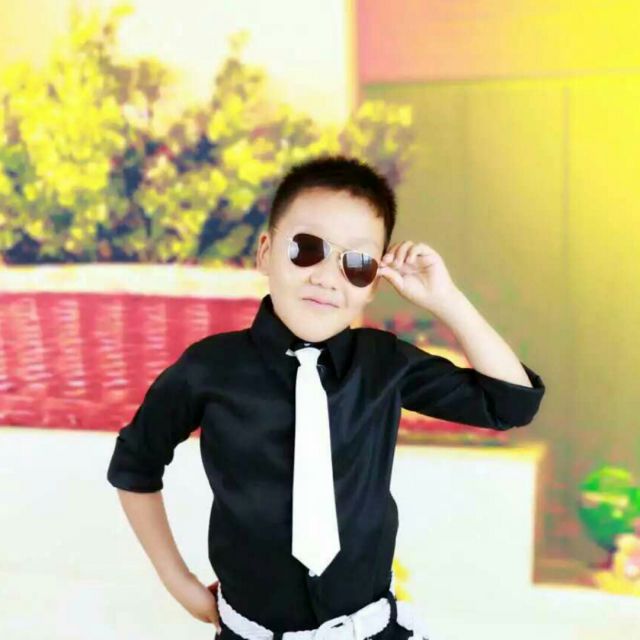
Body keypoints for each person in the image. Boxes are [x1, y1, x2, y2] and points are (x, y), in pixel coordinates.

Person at [106, 154, 546, 640]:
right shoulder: (209, 368)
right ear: (265, 252)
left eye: (356, 263)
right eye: (307, 248)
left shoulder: (384, 363)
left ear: (372, 284)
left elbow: (512, 403)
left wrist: (447, 299)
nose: (326, 277)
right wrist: (179, 584)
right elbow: (134, 465)